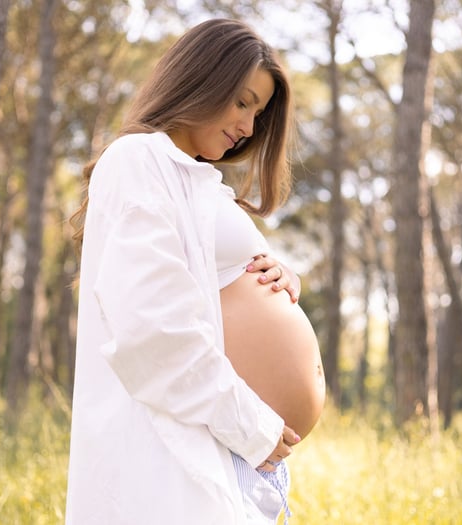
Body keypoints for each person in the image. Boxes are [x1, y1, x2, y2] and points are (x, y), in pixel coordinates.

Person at [65, 18, 325, 525]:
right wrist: (249, 425)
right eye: (243, 102)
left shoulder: (200, 182)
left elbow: (215, 285)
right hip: (189, 442)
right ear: (203, 79)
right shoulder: (138, 160)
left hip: (231, 449)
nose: (250, 127)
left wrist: (279, 280)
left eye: (260, 111)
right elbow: (151, 329)